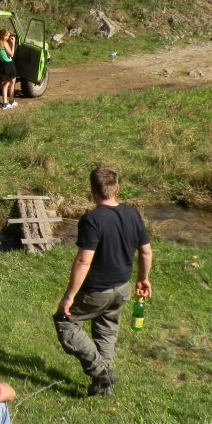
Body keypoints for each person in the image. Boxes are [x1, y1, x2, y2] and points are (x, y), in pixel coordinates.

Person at [54, 167, 153, 397]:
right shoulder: (132, 214)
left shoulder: (92, 220)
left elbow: (83, 261)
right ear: (117, 188)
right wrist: (143, 279)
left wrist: (69, 297)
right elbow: (146, 252)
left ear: (92, 190)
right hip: (122, 287)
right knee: (107, 331)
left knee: (65, 322)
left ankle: (101, 373)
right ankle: (105, 386)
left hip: (97, 291)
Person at [0, 27, 18, 109]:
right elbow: (11, 54)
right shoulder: (5, 43)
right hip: (9, 64)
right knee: (12, 83)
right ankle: (11, 101)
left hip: (2, 64)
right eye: (6, 35)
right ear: (2, 35)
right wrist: (13, 44)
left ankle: (5, 103)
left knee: (5, 84)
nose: (7, 37)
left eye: (8, 36)